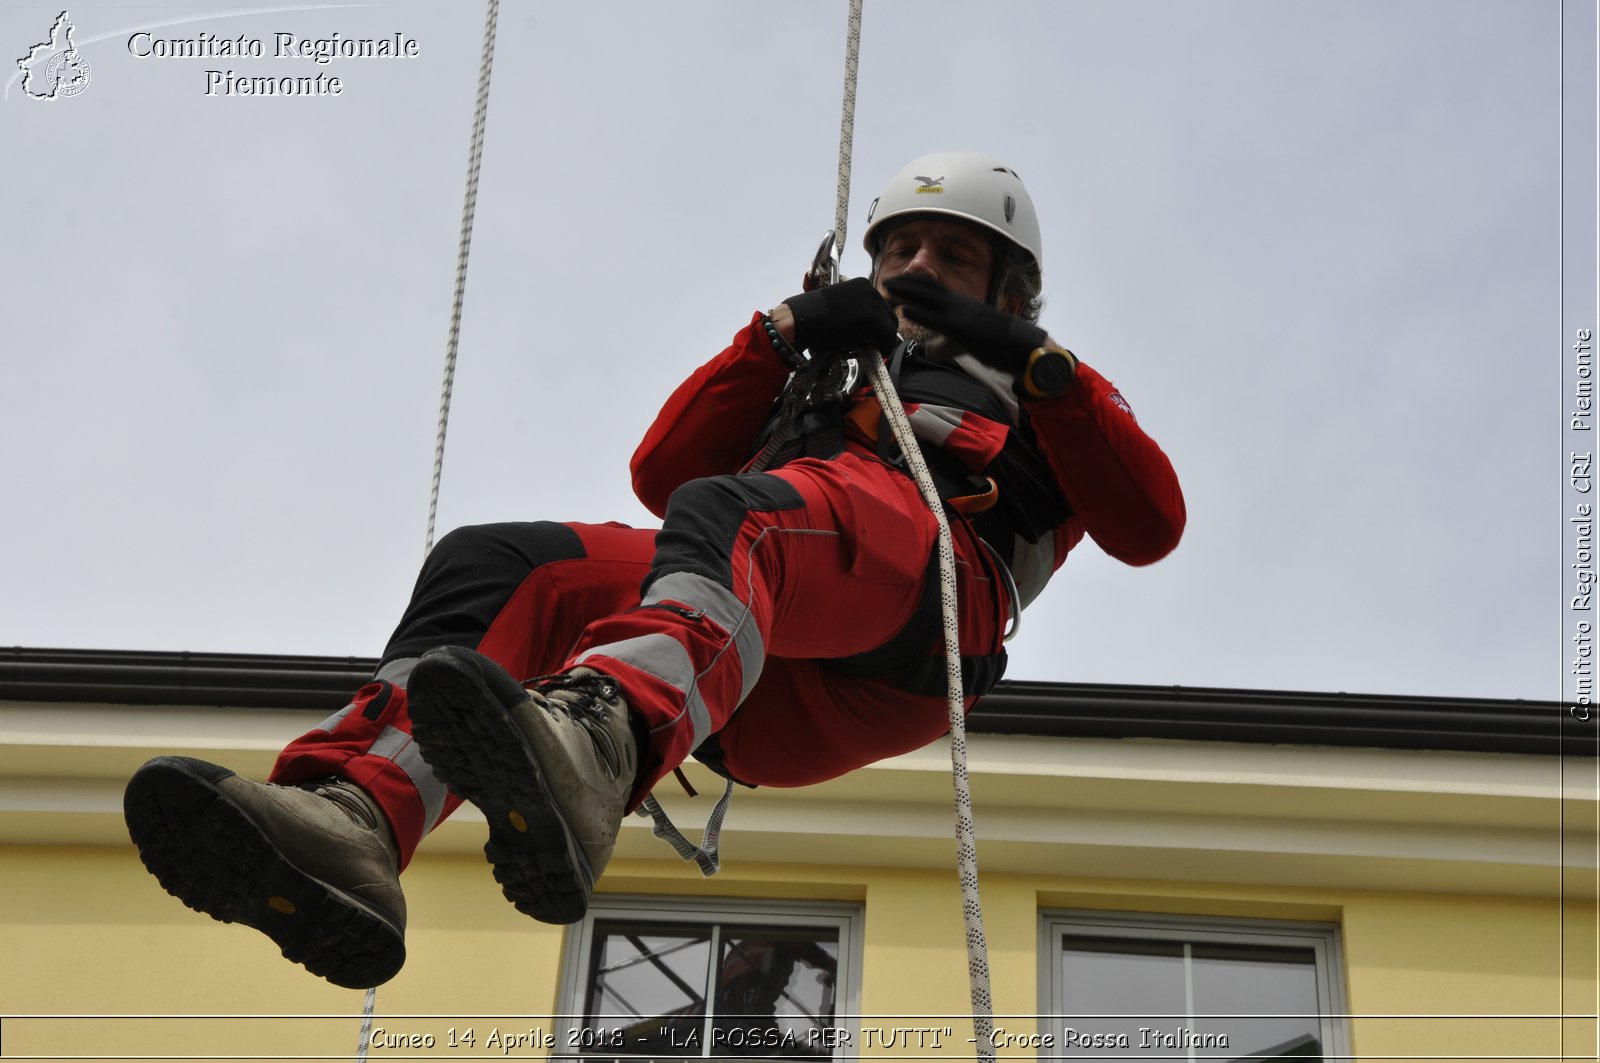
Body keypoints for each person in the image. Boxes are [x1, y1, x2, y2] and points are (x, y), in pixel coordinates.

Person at [123, 151, 1185, 989]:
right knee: (505, 563)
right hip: (736, 663)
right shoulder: (825, 372)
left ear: (1006, 285)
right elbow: (661, 470)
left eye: (950, 256)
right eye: (897, 246)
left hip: (911, 623)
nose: (913, 267)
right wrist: (778, 335)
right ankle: (353, 820)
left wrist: (1039, 366)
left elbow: (1150, 523)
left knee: (744, 517)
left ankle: (599, 741)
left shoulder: (1045, 395)